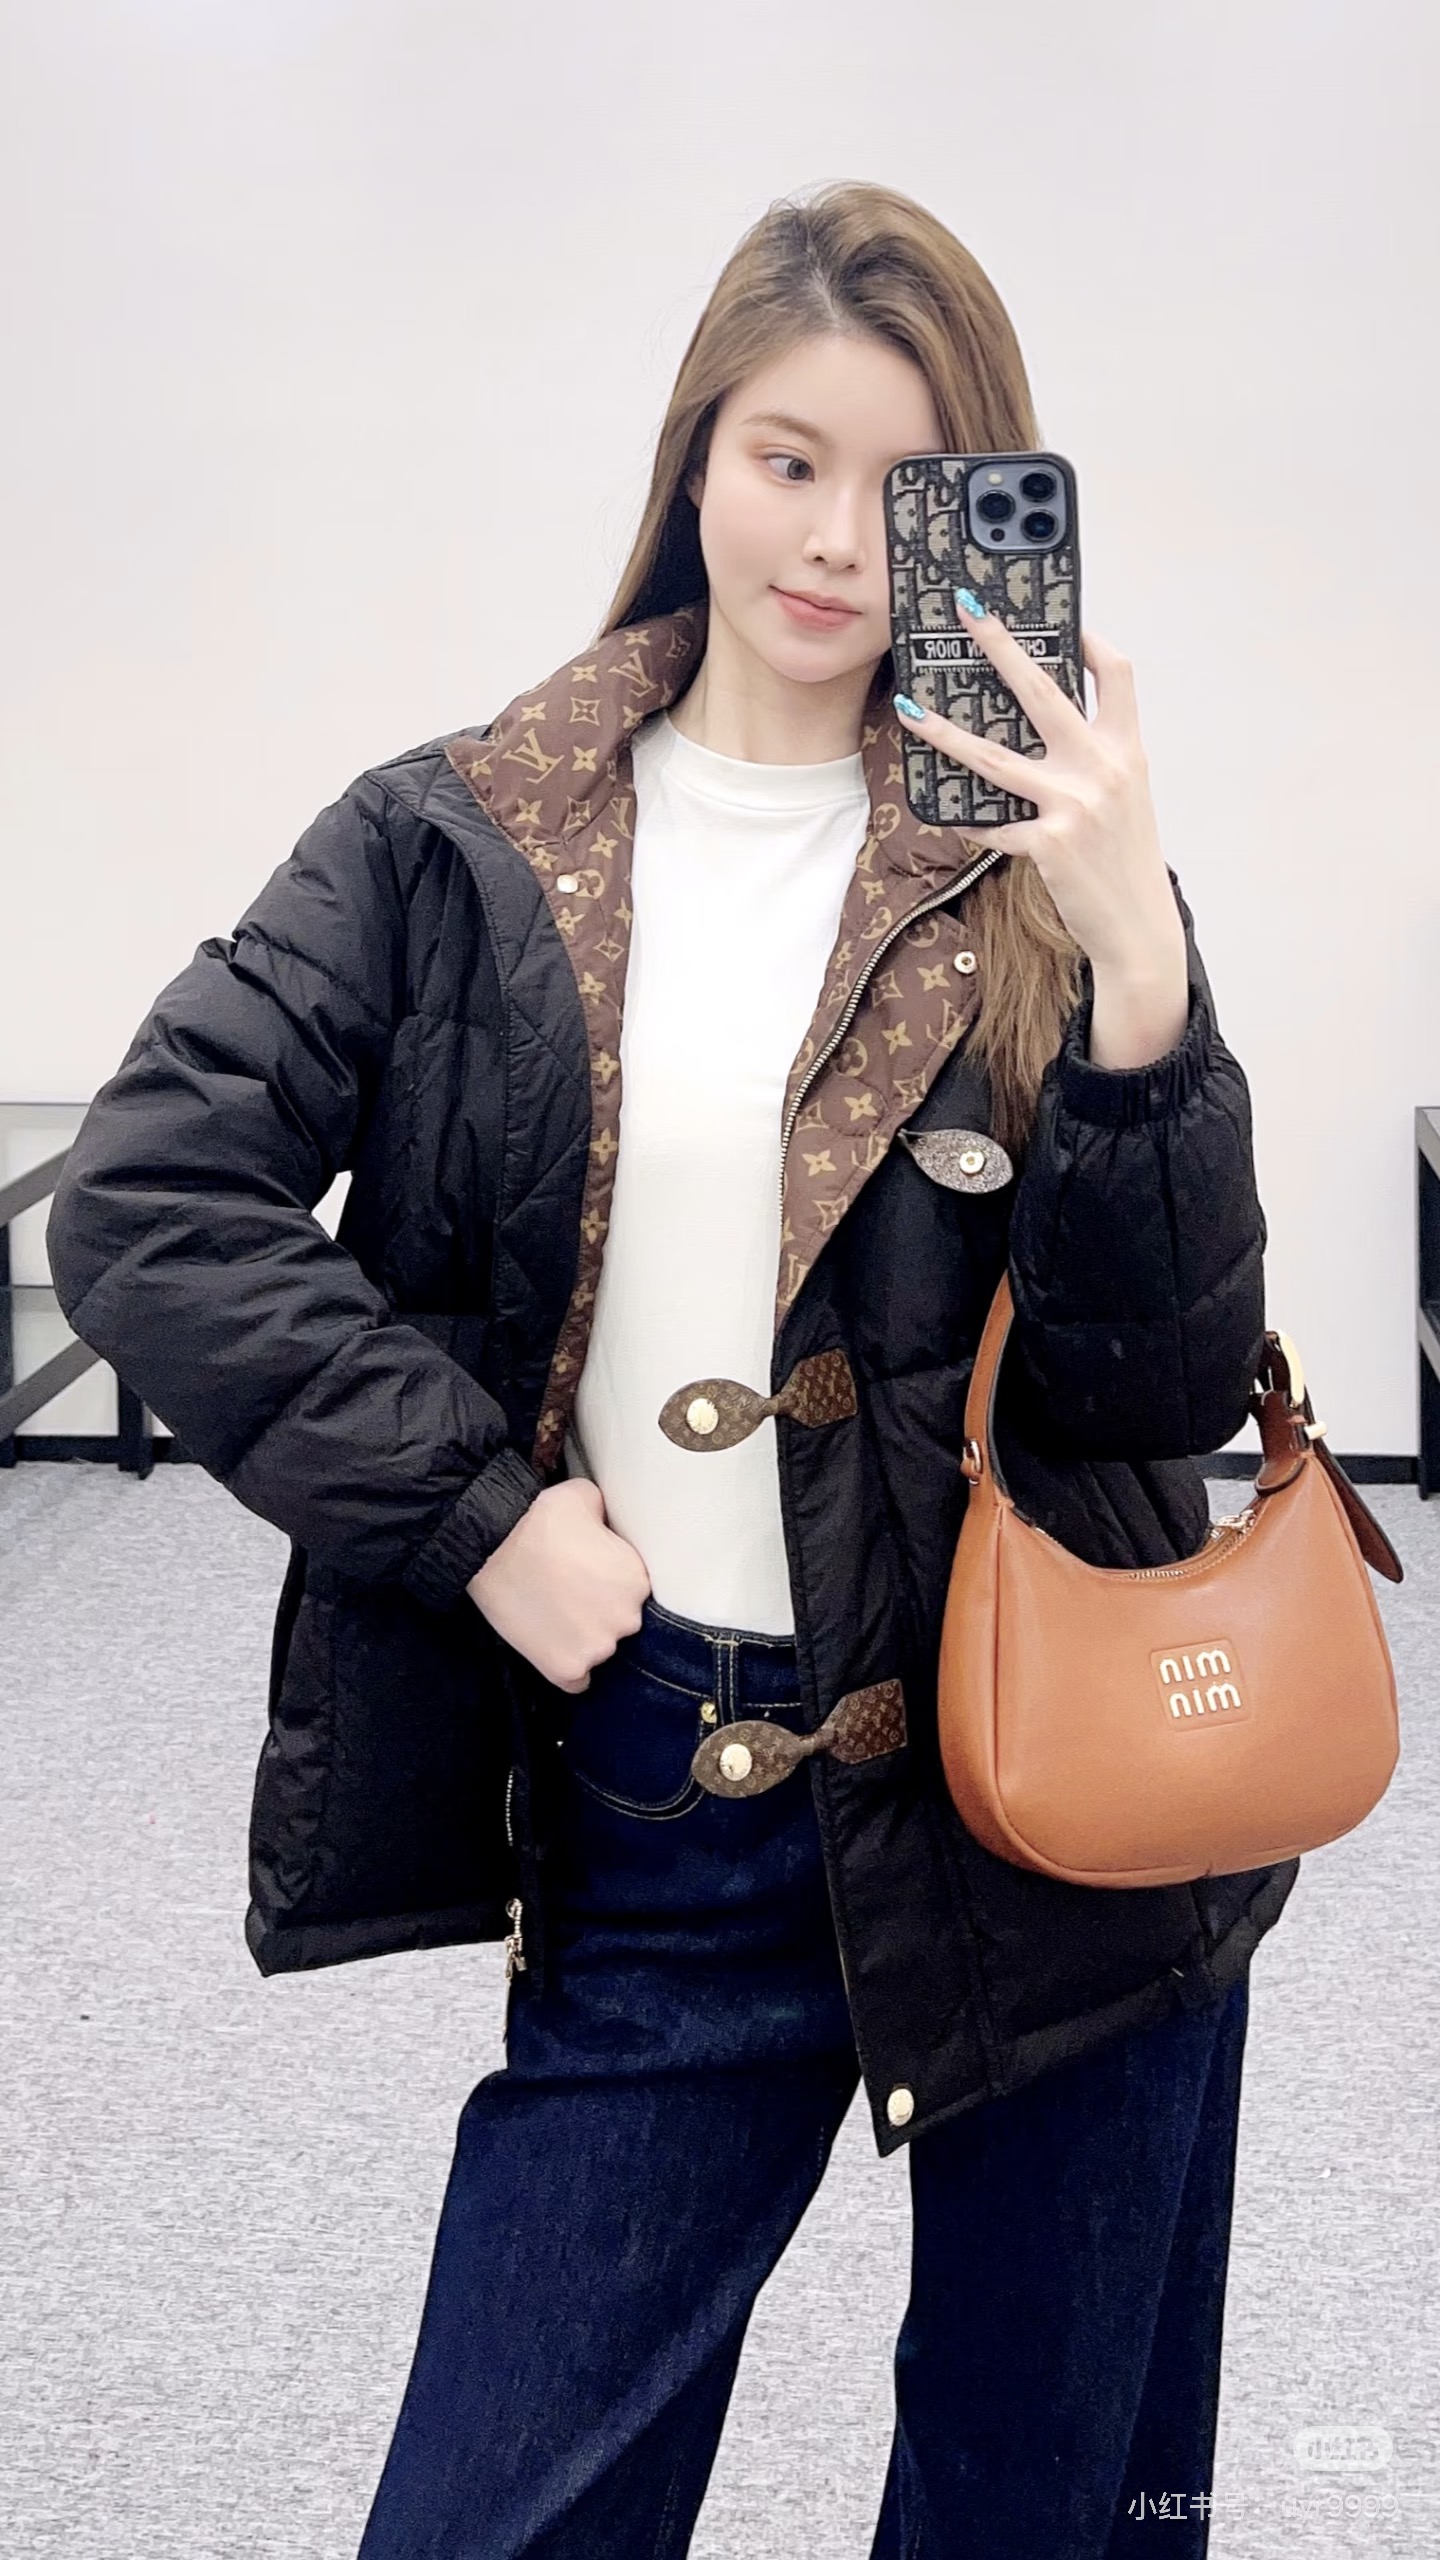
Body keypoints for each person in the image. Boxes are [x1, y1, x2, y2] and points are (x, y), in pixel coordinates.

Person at [45, 180, 1297, 2559]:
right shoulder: (459, 834)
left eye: (898, 484)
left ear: (977, 514)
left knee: (1054, 2508)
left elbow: (1156, 1386)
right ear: (696, 455)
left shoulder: (1042, 864)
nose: (828, 538)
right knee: (498, 2505)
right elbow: (147, 1199)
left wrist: (1142, 968)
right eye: (783, 456)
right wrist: (480, 1515)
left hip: (1058, 1801)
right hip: (672, 1792)